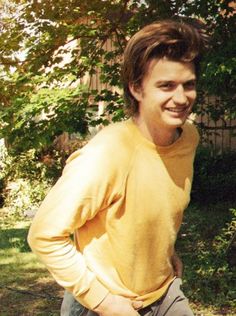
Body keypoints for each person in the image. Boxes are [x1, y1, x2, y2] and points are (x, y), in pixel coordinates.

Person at [28, 18, 209, 316]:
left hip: (163, 291)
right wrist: (105, 303)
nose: (181, 98)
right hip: (102, 303)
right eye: (166, 86)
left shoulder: (188, 137)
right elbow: (44, 234)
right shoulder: (108, 153)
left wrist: (163, 253)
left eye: (188, 85)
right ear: (137, 89)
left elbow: (149, 209)